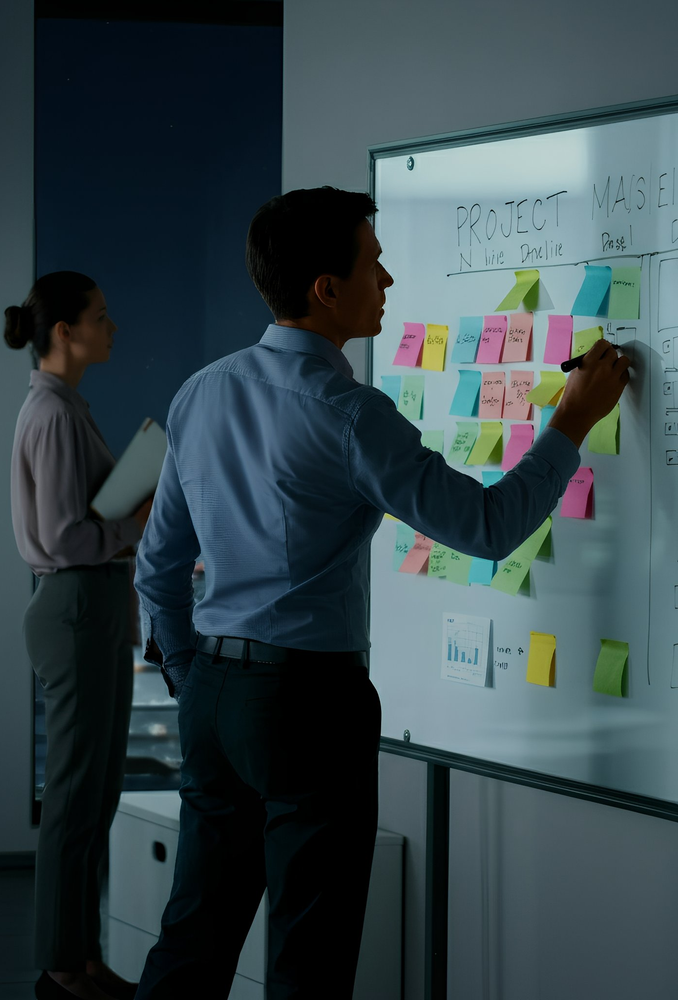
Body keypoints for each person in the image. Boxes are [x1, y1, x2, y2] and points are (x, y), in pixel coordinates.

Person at [132, 187, 631, 998]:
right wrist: (569, 424)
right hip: (305, 703)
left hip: (215, 693)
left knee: (192, 943)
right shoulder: (348, 413)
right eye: (372, 261)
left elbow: (156, 567)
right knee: (310, 958)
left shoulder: (201, 391)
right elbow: (488, 525)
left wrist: (193, 679)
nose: (389, 278)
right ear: (327, 289)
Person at [7, 271, 154, 1000]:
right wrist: (138, 523)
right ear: (63, 332)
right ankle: (64, 966)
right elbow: (67, 536)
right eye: (99, 316)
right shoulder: (56, 415)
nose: (111, 326)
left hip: (85, 607)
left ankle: (81, 958)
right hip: (76, 608)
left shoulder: (63, 408)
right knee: (75, 799)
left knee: (93, 795)